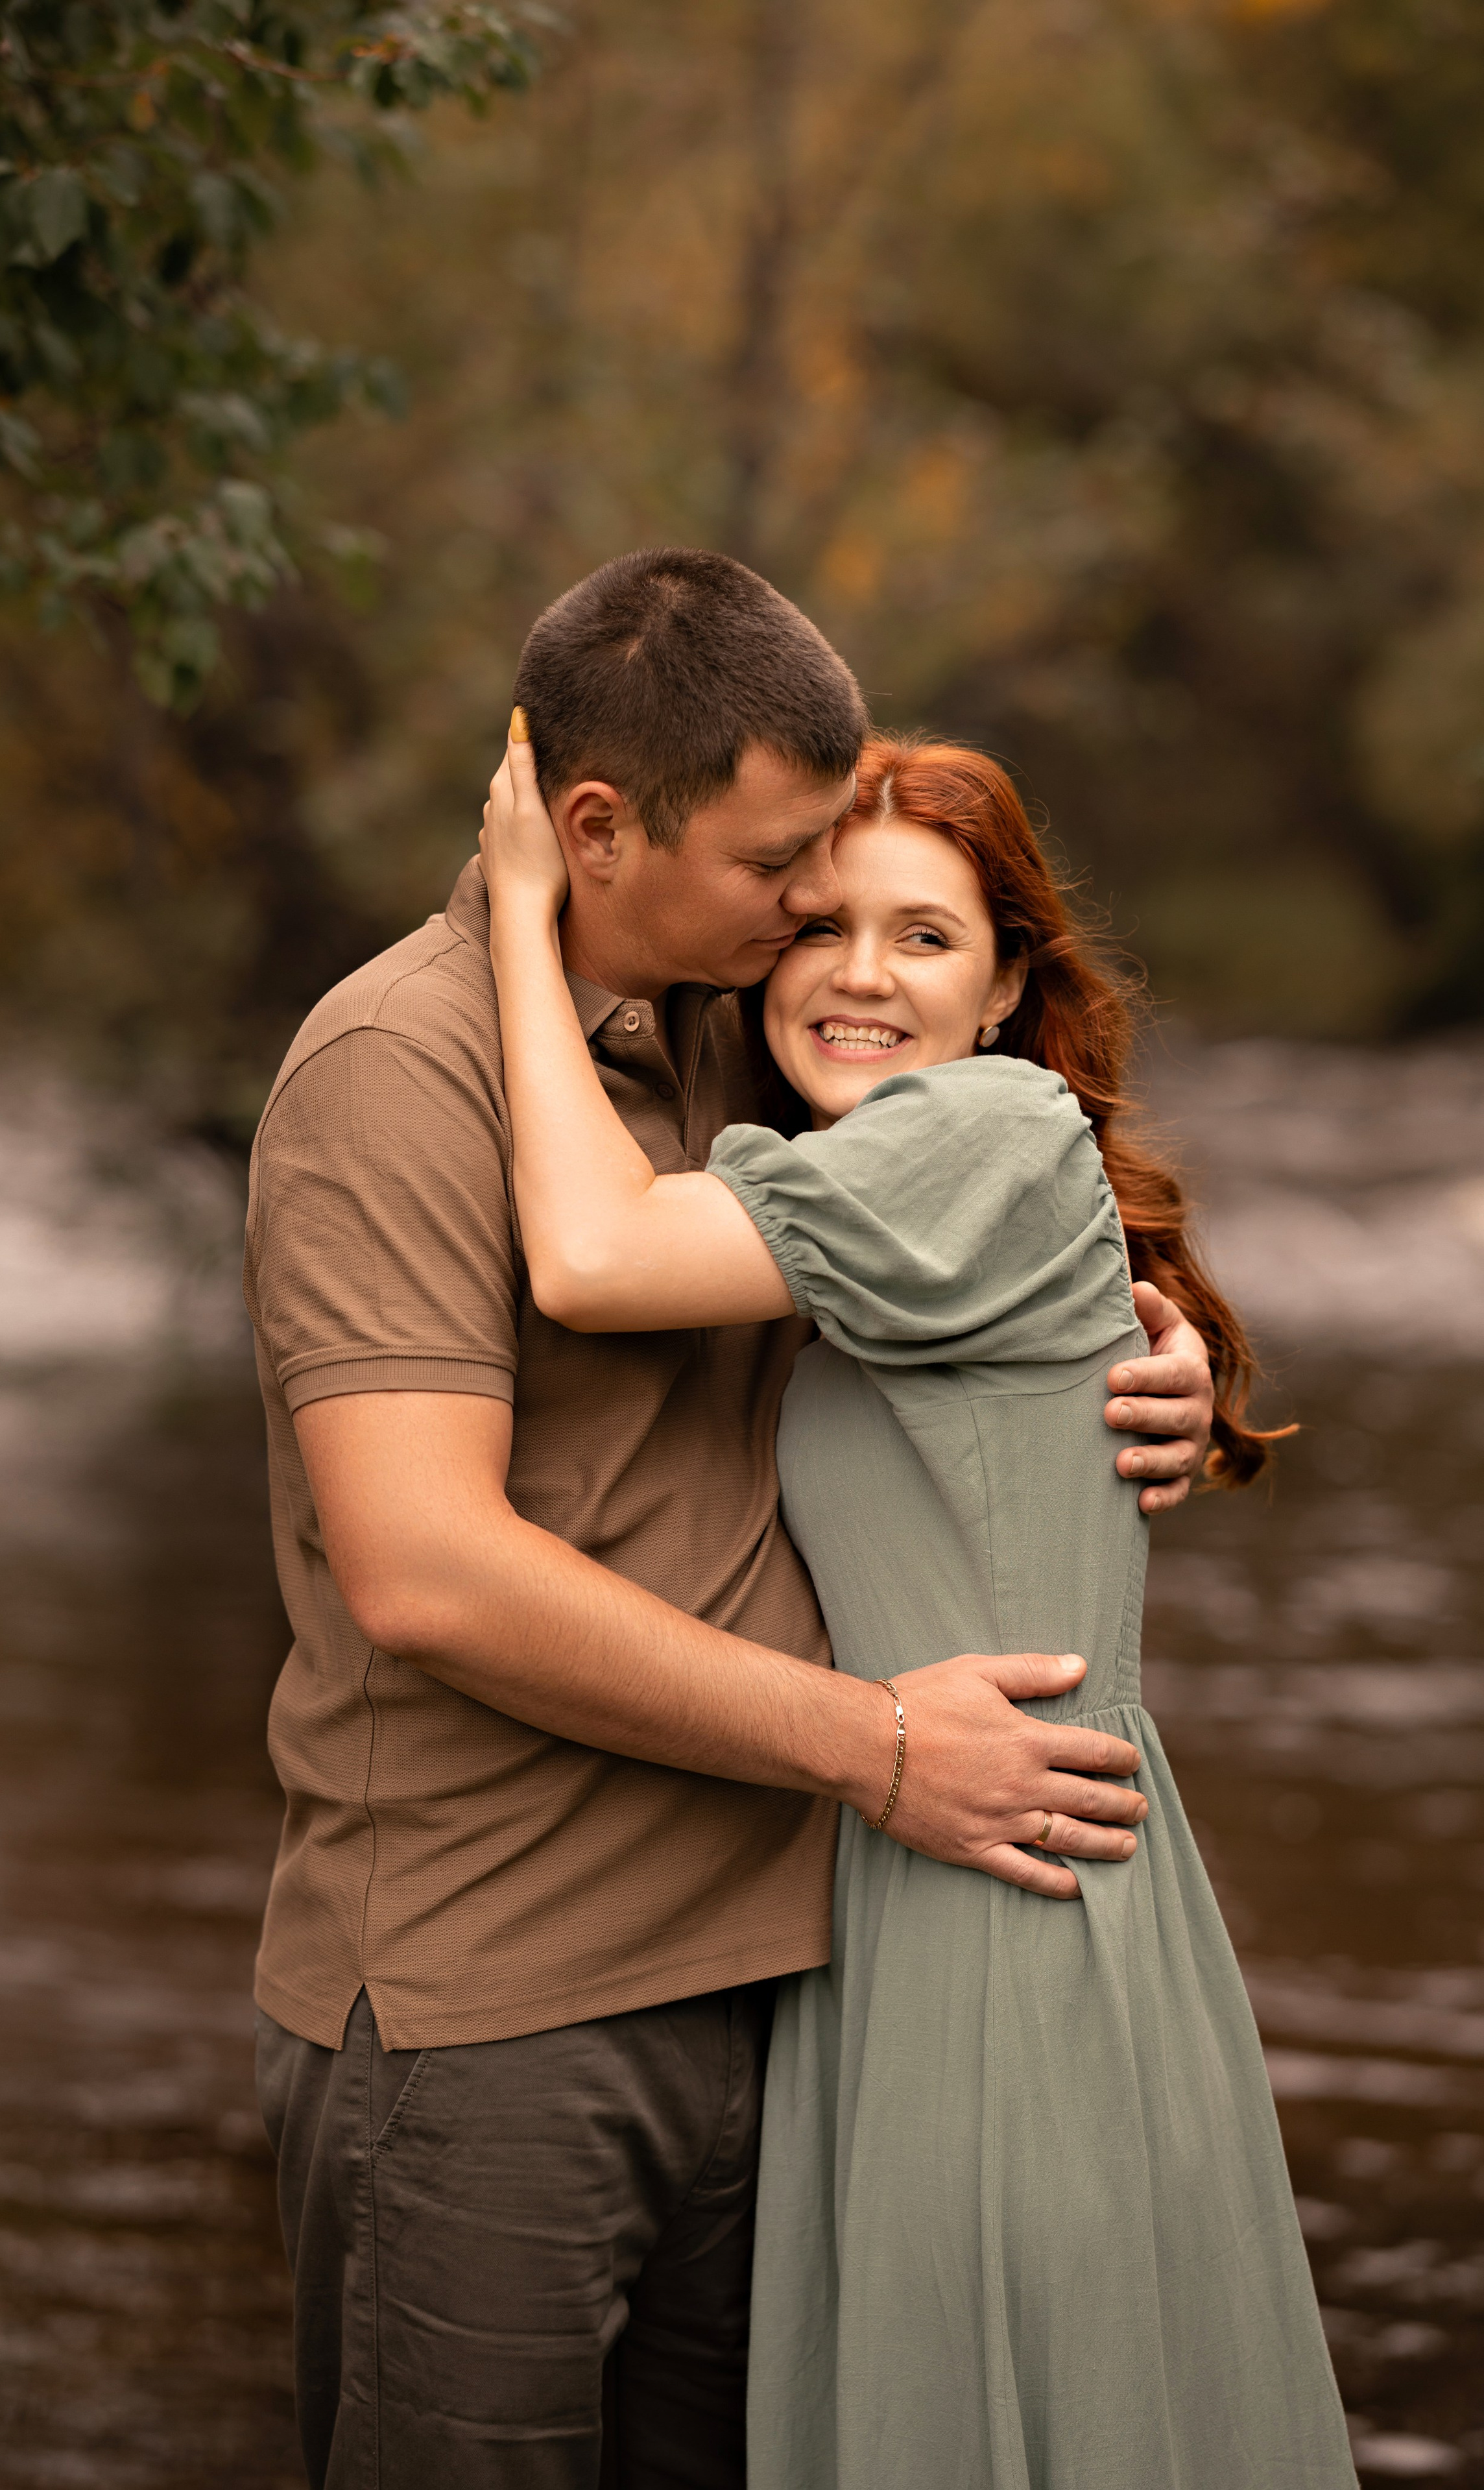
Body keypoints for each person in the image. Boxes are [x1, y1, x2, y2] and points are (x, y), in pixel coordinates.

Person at [243, 548, 1217, 2490]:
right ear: (595, 832)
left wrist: (1148, 1341)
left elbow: (986, 1176)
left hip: (790, 1989)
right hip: (495, 2002)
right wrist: (875, 1746)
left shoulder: (746, 1026)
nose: (817, 913)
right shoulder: (396, 1073)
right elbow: (423, 1572)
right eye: (785, 866)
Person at [478, 716, 1355, 2489]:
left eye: (927, 935)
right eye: (820, 924)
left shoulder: (987, 1130)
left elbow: (587, 1257)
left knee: (991, 2403)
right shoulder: (873, 1176)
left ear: (1009, 980)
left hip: (998, 1882)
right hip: (924, 1848)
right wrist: (1159, 1334)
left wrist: (517, 911)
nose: (861, 975)